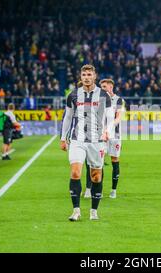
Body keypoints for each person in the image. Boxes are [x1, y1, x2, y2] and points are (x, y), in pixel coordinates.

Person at [60, 64, 114, 221]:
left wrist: (107, 132)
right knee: (76, 172)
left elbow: (110, 117)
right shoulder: (73, 95)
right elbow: (68, 117)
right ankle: (76, 210)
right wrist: (63, 138)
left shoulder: (104, 95)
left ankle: (93, 211)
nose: (86, 77)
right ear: (81, 76)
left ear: (94, 76)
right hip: (78, 140)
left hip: (97, 141)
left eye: (89, 74)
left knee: (96, 176)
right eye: (84, 74)